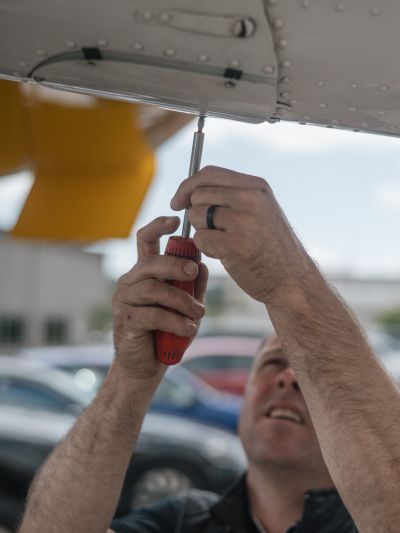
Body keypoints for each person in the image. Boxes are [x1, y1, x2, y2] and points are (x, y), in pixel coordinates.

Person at [18, 166, 400, 533]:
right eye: (271, 364)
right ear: (243, 397)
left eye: (306, 372)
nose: (286, 379)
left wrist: (290, 284)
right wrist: (130, 381)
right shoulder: (182, 522)